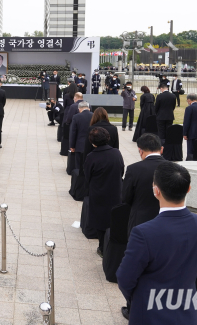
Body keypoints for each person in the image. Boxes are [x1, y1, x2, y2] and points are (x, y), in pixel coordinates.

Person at [116, 162, 197, 324]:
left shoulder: (144, 232)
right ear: (188, 189)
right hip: (186, 311)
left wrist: (140, 297)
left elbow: (125, 278)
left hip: (149, 313)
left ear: (156, 191)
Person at [82, 127, 124, 256]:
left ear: (92, 142)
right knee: (113, 218)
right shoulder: (116, 153)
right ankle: (111, 244)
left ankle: (102, 246)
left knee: (100, 221)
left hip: (98, 192)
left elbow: (87, 176)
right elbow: (121, 170)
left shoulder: (91, 157)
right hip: (115, 190)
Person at [121, 134, 165, 238]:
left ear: (140, 151)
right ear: (161, 149)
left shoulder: (133, 169)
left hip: (140, 219)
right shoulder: (174, 168)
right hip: (165, 219)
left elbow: (126, 197)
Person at [69, 101, 92, 173]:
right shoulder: (94, 116)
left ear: (79, 108)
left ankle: (80, 181)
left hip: (79, 145)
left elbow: (73, 132)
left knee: (79, 166)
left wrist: (72, 146)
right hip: (91, 145)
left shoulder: (76, 117)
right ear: (88, 108)